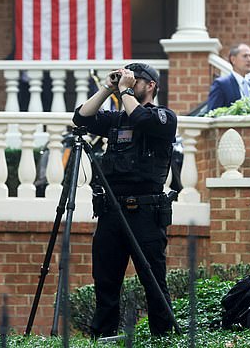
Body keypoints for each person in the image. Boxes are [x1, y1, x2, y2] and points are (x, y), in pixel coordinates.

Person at [72, 63, 177, 338]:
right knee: (105, 281)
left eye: (136, 80)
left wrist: (126, 91)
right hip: (112, 212)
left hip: (146, 211)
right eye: (127, 79)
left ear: (151, 85)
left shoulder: (164, 117)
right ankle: (102, 337)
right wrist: (108, 88)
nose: (128, 83)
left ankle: (162, 338)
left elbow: (142, 120)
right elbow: (82, 118)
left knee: (153, 281)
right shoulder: (117, 120)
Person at [207, 43, 250, 110]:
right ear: (233, 59)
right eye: (245, 56)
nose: (249, 60)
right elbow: (213, 113)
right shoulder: (221, 85)